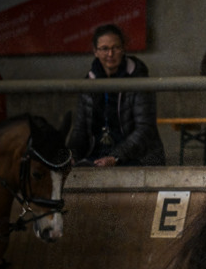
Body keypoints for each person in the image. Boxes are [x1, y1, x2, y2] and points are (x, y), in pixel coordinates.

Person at [67, 24, 166, 167]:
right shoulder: (88, 83)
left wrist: (116, 157)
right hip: (98, 155)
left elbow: (145, 129)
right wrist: (72, 156)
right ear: (95, 51)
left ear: (123, 49)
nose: (110, 54)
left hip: (137, 157)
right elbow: (80, 130)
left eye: (116, 48)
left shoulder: (139, 79)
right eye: (104, 48)